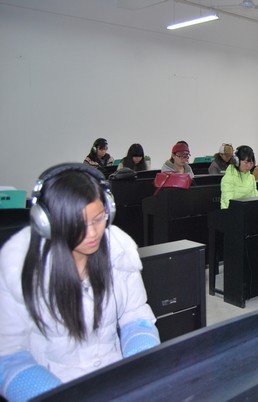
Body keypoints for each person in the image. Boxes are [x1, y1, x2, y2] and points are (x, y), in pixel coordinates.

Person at [0, 164, 160, 402]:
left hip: (114, 380)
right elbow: (8, 355)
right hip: (54, 385)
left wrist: (141, 367)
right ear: (47, 222)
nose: (93, 233)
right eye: (78, 224)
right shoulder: (18, 269)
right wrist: (55, 396)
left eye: (98, 219)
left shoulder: (119, 253)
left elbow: (135, 317)